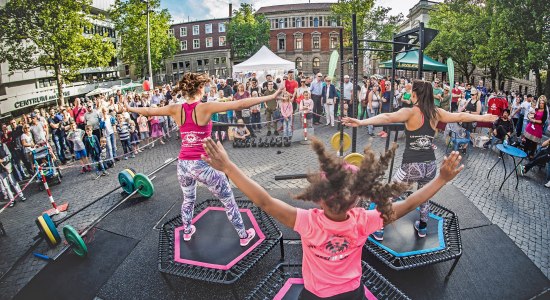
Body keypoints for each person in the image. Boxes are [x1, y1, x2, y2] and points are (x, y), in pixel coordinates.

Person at [201, 137, 465, 299]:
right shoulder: (365, 220)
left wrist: (228, 167)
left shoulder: (306, 221)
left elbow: (264, 200)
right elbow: (410, 203)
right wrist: (441, 178)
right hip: (352, 294)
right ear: (359, 197)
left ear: (318, 196)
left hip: (315, 295)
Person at [123, 72, 283, 246]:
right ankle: (244, 236)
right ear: (200, 88)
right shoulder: (205, 107)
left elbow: (148, 111)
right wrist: (272, 96)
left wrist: (129, 108)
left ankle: (187, 230)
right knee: (228, 199)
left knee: (188, 199)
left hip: (183, 165)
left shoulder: (175, 108)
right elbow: (240, 103)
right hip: (201, 165)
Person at [343, 80, 497, 239]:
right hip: (430, 165)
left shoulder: (410, 112)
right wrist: (485, 118)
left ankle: (380, 228)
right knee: (424, 195)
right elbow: (460, 115)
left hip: (411, 166)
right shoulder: (436, 112)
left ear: (415, 95)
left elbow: (388, 117)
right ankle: (422, 226)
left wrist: (361, 121)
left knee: (388, 195)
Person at [0, 140, 26, 207]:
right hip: (0, 170)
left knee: (13, 182)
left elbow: (9, 155)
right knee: (6, 186)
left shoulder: (3, 145)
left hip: (7, 166)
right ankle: (12, 200)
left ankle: (21, 195)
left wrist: (3, 160)